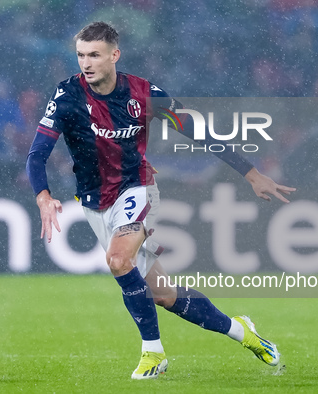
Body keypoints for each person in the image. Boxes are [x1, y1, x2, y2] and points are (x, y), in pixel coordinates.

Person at [26, 21, 296, 380]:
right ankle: (242, 331)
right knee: (163, 295)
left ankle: (153, 353)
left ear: (114, 55)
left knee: (118, 259)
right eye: (80, 56)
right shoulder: (67, 96)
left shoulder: (143, 93)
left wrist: (250, 174)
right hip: (94, 201)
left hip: (136, 188)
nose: (86, 64)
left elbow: (196, 130)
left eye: (94, 55)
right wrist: (43, 196)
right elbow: (36, 154)